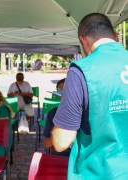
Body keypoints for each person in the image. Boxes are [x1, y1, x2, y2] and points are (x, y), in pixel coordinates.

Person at [51, 13, 128, 179]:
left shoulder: (82, 70)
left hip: (99, 172)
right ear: (115, 36)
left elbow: (61, 142)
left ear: (83, 40)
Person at [43, 78, 71, 157]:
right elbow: (46, 143)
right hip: (60, 157)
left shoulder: (86, 113)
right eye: (60, 91)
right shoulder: (53, 113)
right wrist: (58, 135)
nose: (63, 94)